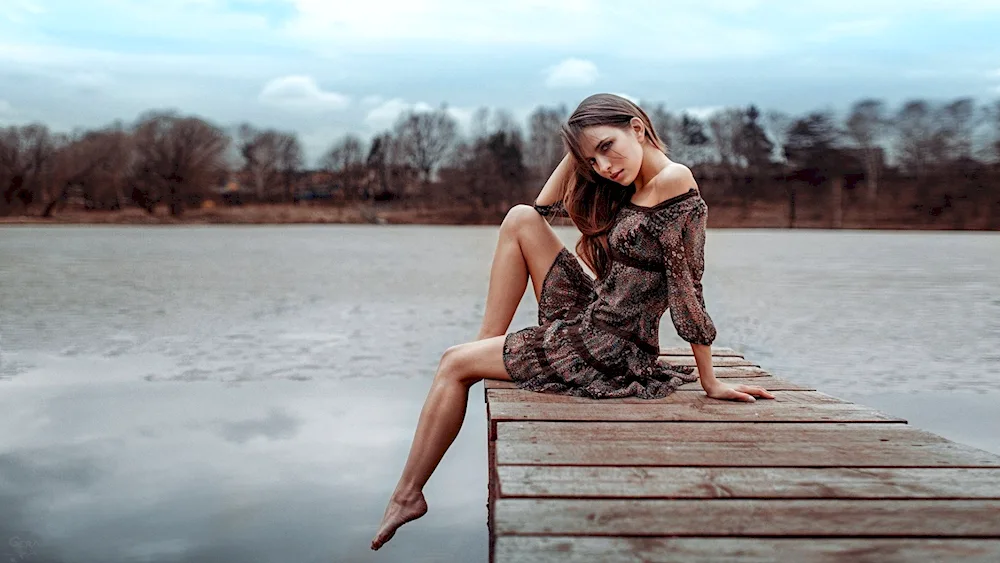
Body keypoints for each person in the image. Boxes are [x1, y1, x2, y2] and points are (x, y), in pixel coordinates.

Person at [370, 93, 774, 551]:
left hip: (608, 345)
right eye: (591, 159)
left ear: (637, 127)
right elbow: (541, 208)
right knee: (519, 218)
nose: (602, 166)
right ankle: (487, 345)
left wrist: (710, 380)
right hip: (594, 311)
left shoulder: (674, 180)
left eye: (608, 146)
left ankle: (407, 495)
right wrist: (579, 145)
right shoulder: (632, 182)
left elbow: (687, 285)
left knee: (451, 363)